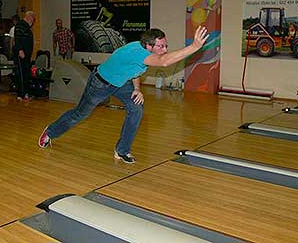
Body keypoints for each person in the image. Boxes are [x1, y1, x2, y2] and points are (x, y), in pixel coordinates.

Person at [39, 26, 209, 164]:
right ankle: (50, 131)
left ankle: (122, 150)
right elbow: (164, 62)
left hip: (121, 83)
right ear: (149, 46)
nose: (165, 49)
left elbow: (135, 71)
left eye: (165, 45)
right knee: (80, 114)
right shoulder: (138, 52)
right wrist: (194, 47)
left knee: (136, 109)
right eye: (161, 46)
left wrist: (136, 89)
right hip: (100, 84)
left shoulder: (143, 49)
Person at [13, 11, 35, 100]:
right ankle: (21, 94)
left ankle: (25, 93)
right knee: (21, 73)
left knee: (26, 73)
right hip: (21, 54)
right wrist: (20, 50)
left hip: (26, 54)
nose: (33, 21)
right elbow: (17, 38)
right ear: (29, 17)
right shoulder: (20, 25)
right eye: (33, 19)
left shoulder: (26, 27)